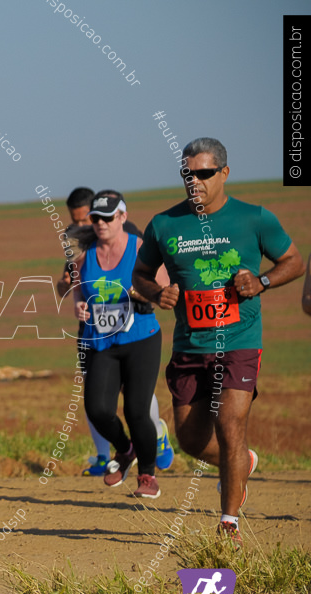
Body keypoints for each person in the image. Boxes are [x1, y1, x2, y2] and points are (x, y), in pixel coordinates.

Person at [133, 137, 303, 544]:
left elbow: (293, 262)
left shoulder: (254, 218)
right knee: (190, 439)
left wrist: (260, 281)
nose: (195, 181)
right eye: (187, 174)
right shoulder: (164, 224)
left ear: (224, 173)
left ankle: (228, 523)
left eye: (204, 173)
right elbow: (140, 275)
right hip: (190, 347)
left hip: (240, 341)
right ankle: (240, 464)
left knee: (230, 423)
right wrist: (157, 294)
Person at [57, 188, 175, 475]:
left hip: (135, 332)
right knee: (97, 398)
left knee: (134, 395)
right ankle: (105, 455)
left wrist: (142, 293)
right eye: (79, 222)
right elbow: (68, 284)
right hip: (93, 331)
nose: (84, 227)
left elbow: (156, 284)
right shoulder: (80, 241)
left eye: (87, 220)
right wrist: (72, 294)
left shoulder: (129, 237)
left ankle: (155, 434)